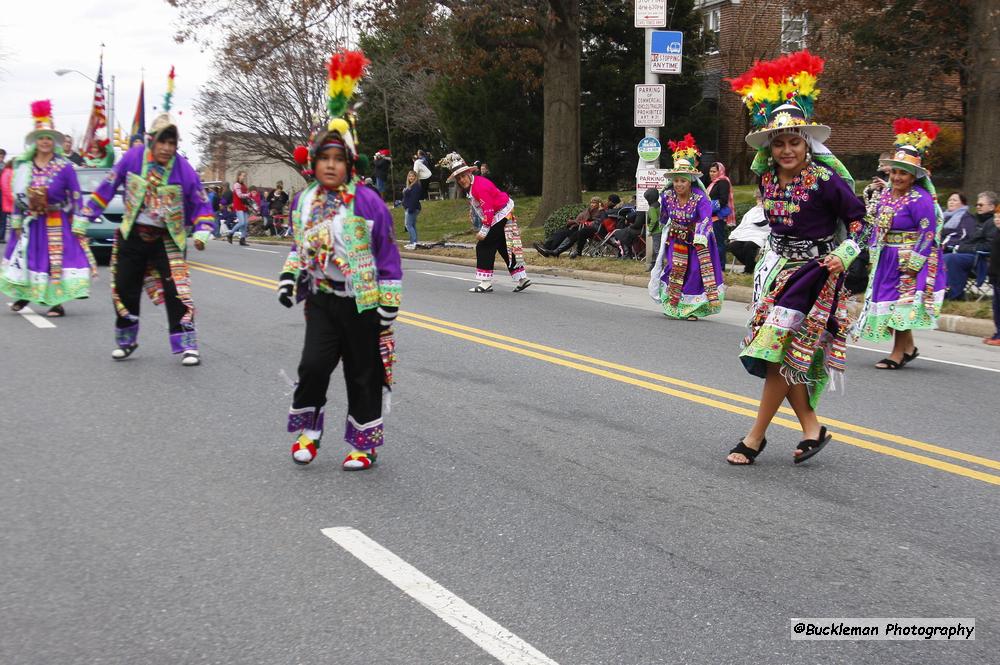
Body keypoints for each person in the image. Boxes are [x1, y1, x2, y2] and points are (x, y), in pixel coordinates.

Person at [725, 50, 870, 466]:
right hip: (778, 273)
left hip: (816, 276)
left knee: (774, 351)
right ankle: (812, 427)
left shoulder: (826, 181)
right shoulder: (766, 178)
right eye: (779, 142)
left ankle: (754, 437)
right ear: (770, 147)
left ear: (807, 143)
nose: (787, 149)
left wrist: (845, 253)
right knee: (781, 353)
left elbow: (864, 224)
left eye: (794, 141)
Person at [277, 49, 402, 471]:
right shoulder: (305, 202)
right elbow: (299, 246)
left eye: (338, 159)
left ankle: (363, 444)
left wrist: (388, 304)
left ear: (350, 164)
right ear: (313, 163)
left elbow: (387, 254)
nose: (330, 166)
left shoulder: (368, 203)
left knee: (362, 374)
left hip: (363, 302)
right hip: (324, 300)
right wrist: (289, 276)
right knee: (313, 365)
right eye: (323, 159)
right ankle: (308, 433)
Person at [81, 84, 215, 366]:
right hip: (134, 235)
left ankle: (187, 345)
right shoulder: (132, 157)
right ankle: (126, 341)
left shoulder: (183, 168)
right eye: (162, 142)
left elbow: (200, 200)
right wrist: (86, 216)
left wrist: (203, 229)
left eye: (172, 143)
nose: (167, 148)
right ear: (151, 140)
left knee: (178, 290)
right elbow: (107, 187)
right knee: (125, 287)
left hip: (169, 238)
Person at [856, 119, 946, 367]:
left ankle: (897, 354)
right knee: (892, 302)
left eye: (903, 172)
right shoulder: (886, 194)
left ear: (913, 176)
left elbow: (928, 232)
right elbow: (877, 223)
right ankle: (909, 347)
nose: (897, 176)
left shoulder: (921, 199)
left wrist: (916, 263)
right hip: (887, 257)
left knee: (901, 306)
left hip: (908, 259)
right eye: (894, 171)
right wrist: (874, 252)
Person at [1, 101, 95, 316]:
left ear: (54, 143)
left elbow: (77, 195)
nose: (45, 142)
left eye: (48, 139)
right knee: (27, 258)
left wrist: (79, 221)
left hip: (55, 220)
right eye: (41, 138)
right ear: (35, 141)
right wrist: (16, 219)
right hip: (31, 221)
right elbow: (18, 195)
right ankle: (24, 295)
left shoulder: (65, 167)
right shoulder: (24, 166)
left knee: (55, 261)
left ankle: (56, 302)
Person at [647, 134, 724, 320]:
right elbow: (665, 215)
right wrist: (662, 228)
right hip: (676, 239)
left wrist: (699, 235)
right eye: (676, 181)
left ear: (690, 180)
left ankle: (691, 309)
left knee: (695, 272)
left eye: (683, 180)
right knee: (675, 268)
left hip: (698, 241)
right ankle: (673, 305)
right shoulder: (667, 196)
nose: (679, 184)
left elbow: (705, 219)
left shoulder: (700, 198)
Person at [446, 153, 531, 293]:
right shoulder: (475, 184)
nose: (461, 180)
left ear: (469, 173)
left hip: (500, 214)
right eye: (458, 178)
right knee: (504, 246)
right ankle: (522, 278)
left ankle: (485, 283)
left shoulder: (480, 186)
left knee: (484, 245)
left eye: (463, 176)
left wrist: (484, 231)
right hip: (502, 212)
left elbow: (489, 210)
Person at [942, 191, 998, 300]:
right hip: (971, 255)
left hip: (983, 260)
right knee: (942, 257)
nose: (978, 207)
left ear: (991, 207)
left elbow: (989, 247)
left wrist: (962, 248)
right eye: (977, 204)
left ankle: (955, 295)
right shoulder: (977, 221)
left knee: (951, 258)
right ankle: (939, 291)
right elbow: (968, 240)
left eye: (981, 205)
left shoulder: (993, 222)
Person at [533, 196, 603, 258]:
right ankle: (546, 247)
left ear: (599, 204)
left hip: (583, 229)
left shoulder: (599, 212)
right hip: (576, 227)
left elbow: (594, 222)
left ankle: (550, 250)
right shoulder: (587, 210)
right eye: (591, 203)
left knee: (567, 235)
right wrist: (573, 221)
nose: (592, 204)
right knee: (559, 233)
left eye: (594, 203)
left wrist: (576, 222)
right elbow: (580, 218)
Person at [727, 190, 769, 273]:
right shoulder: (752, 211)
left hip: (760, 236)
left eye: (761, 198)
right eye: (758, 198)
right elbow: (742, 225)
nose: (759, 200)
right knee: (733, 246)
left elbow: (767, 226)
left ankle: (748, 270)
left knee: (749, 245)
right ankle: (752, 265)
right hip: (745, 235)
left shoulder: (770, 211)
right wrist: (733, 236)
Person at [706, 161, 735, 262]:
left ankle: (721, 266)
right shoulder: (714, 183)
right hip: (710, 217)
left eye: (714, 171)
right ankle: (714, 265)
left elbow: (723, 200)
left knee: (718, 243)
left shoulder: (723, 182)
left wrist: (708, 206)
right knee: (711, 243)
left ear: (720, 172)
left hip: (717, 218)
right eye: (710, 171)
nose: (711, 173)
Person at [985, 206, 1000, 346]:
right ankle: (997, 333)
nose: (997, 220)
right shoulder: (996, 233)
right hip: (995, 275)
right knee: (996, 307)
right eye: (996, 217)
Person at [227, 170, 250, 245]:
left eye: (245, 176)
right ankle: (230, 233)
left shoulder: (244, 185)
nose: (244, 177)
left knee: (246, 223)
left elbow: (246, 196)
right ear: (239, 176)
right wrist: (248, 195)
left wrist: (249, 202)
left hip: (244, 205)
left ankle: (242, 239)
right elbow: (239, 195)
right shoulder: (236, 185)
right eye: (243, 175)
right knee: (242, 222)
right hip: (238, 205)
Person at [401, 169, 422, 249]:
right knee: (412, 225)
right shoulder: (411, 186)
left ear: (415, 177)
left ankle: (413, 243)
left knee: (408, 225)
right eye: (409, 176)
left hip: (412, 208)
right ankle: (413, 242)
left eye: (413, 176)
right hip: (410, 207)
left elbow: (414, 199)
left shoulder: (416, 186)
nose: (411, 177)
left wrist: (410, 209)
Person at [643, 187, 663, 271]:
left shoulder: (652, 208)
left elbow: (654, 220)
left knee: (657, 249)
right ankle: (656, 264)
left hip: (656, 231)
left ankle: (657, 266)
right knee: (658, 248)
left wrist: (649, 230)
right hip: (661, 229)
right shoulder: (659, 205)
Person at [0, 149, 9, 242]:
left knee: (3, 216)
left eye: (2, 156)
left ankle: (1, 237)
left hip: (3, 193)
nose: (1, 158)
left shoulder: (6, 167)